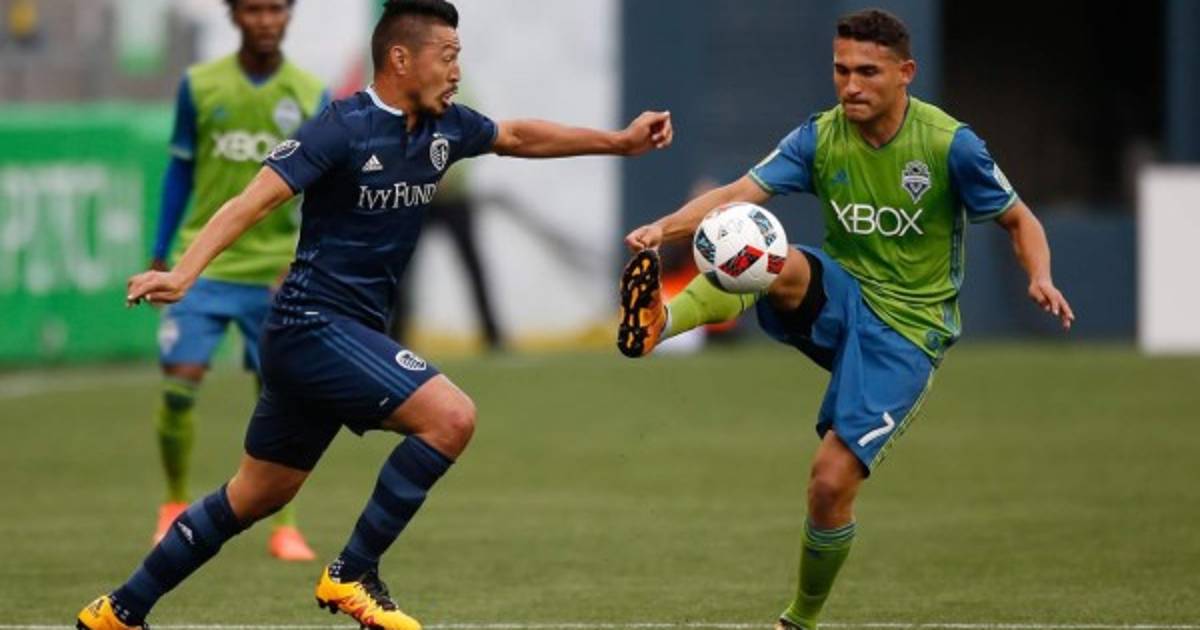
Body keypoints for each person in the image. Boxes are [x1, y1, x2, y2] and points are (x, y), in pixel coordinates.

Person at [77, 2, 672, 630]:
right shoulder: (341, 128)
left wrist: (619, 142)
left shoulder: (446, 128)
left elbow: (518, 136)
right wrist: (183, 272)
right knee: (450, 417)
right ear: (400, 58)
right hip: (311, 324)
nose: (456, 71)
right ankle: (352, 573)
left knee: (254, 495)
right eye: (447, 56)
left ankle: (118, 610)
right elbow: (253, 200)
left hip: (340, 334)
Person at [616, 9, 1073, 630]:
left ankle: (800, 620)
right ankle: (660, 322)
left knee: (829, 484)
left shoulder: (949, 145)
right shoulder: (819, 136)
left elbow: (1020, 219)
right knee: (766, 251)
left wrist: (1040, 275)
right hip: (842, 295)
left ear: (905, 73)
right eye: (841, 70)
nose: (850, 85)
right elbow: (738, 195)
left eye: (867, 72)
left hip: (906, 331)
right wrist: (662, 228)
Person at [148, 0, 327, 562]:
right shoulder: (200, 86)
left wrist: (303, 259)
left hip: (273, 267)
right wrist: (161, 252)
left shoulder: (310, 94)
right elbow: (180, 168)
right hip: (204, 260)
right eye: (254, 9)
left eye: (276, 8)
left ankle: (285, 525)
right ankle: (173, 503)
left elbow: (324, 190)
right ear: (235, 16)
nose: (265, 20)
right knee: (179, 382)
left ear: (289, 15)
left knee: (280, 395)